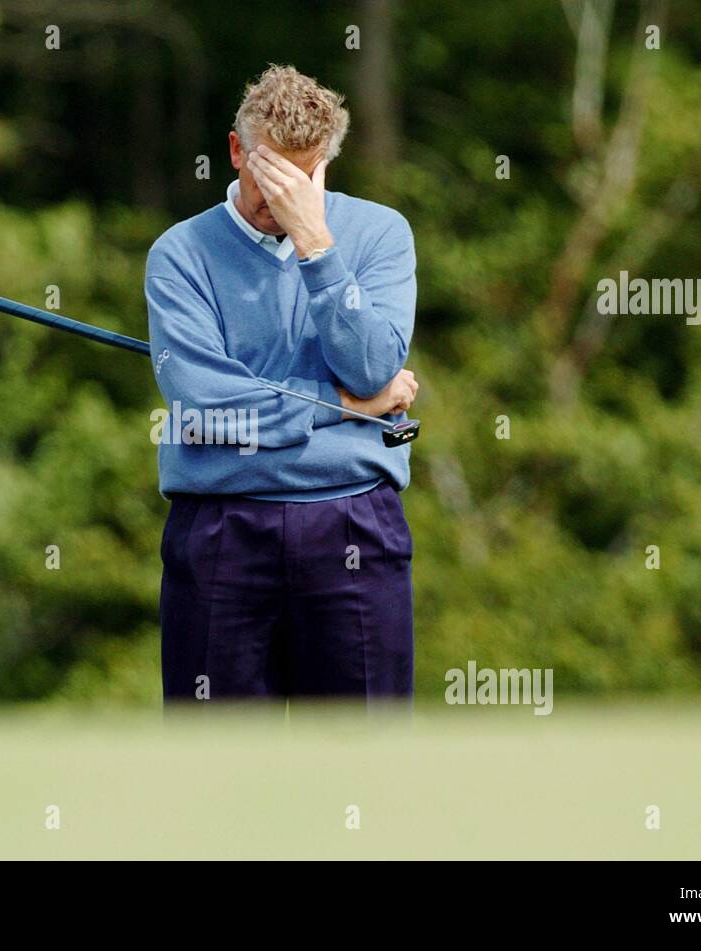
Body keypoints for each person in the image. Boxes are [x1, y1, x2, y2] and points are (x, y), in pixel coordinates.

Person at [146, 65, 418, 705]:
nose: (283, 195)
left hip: (354, 521)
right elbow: (204, 412)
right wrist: (346, 407)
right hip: (221, 530)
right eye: (270, 174)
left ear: (325, 165)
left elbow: (374, 366)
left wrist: (316, 244)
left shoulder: (380, 235)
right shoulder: (180, 254)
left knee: (364, 762)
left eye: (302, 177)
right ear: (237, 151)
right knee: (217, 767)